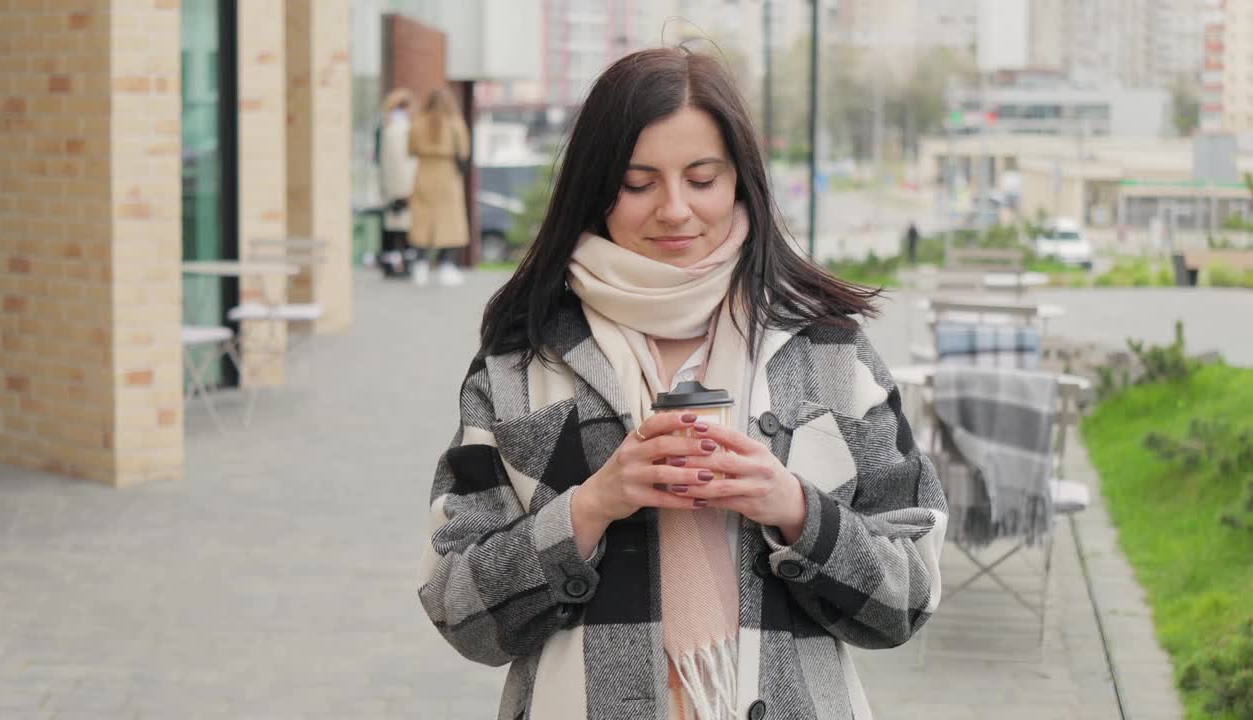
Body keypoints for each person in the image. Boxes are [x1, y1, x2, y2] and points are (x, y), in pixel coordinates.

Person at [418, 48, 946, 720]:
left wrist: (794, 508)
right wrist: (590, 507)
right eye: (638, 184)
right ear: (593, 187)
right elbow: (457, 606)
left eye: (702, 178)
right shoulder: (521, 360)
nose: (674, 210)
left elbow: (911, 594)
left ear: (739, 183)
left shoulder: (827, 350)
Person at [408, 87, 471, 286]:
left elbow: (410, 149)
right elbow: (463, 152)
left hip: (424, 174)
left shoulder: (417, 123)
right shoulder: (455, 123)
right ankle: (445, 265)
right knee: (450, 221)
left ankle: (420, 266)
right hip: (447, 176)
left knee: (422, 220)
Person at [377, 88, 419, 278]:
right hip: (403, 185)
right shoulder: (402, 129)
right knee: (403, 229)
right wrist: (405, 189)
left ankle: (392, 263)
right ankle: (402, 265)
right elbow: (403, 162)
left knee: (392, 228)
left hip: (391, 186)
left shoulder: (387, 127)